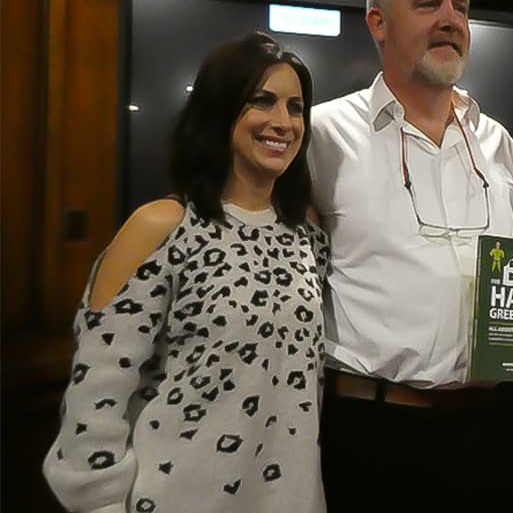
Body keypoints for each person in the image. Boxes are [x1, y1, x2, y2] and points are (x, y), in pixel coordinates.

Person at [307, 0, 513, 512]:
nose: (451, 20)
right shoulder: (321, 134)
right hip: (371, 432)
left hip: (491, 432)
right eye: (428, 4)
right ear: (378, 22)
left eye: (460, 7)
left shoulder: (498, 142)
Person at [43, 32, 329, 513]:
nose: (283, 122)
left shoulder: (307, 239)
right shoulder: (161, 227)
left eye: (295, 107)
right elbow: (97, 391)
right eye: (261, 102)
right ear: (219, 111)